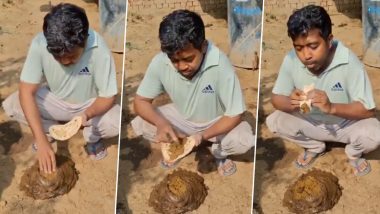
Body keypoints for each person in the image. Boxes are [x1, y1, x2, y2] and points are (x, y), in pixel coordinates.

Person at [131, 10, 255, 176]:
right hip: (183, 120)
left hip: (217, 123)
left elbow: (235, 114)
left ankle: (218, 153)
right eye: (175, 60)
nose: (181, 66)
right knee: (141, 123)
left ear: (203, 46)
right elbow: (140, 101)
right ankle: (180, 144)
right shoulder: (160, 62)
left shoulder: (220, 63)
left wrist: (203, 135)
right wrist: (162, 124)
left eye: (189, 59)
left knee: (243, 141)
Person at [2, 3, 120, 174]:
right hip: (55, 102)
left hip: (89, 106)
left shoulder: (98, 48)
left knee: (115, 121)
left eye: (71, 56)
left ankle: (91, 138)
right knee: (13, 104)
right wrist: (40, 140)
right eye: (58, 56)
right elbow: (26, 91)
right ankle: (49, 131)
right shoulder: (40, 43)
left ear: (84, 40)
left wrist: (87, 114)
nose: (65, 62)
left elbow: (108, 96)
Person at [266, 5, 380, 176]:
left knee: (374, 133)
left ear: (329, 40)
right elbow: (276, 99)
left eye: (313, 46)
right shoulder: (290, 59)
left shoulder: (349, 62)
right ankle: (314, 146)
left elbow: (368, 110)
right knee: (274, 121)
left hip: (344, 125)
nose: (306, 55)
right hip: (310, 122)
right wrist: (291, 103)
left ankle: (353, 153)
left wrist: (332, 107)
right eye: (299, 47)